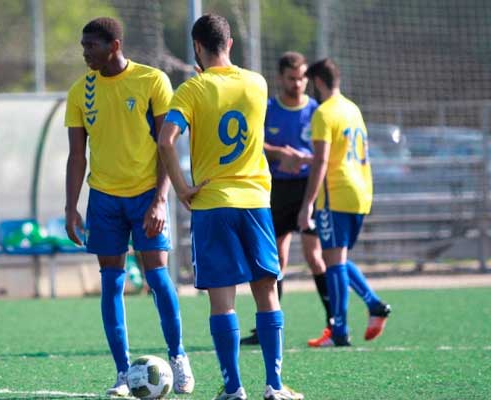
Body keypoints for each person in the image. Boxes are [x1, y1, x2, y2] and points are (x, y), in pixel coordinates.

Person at [158, 14, 303, 400]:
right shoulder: (256, 84)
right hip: (255, 201)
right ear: (231, 44)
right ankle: (274, 385)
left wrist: (182, 187)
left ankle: (234, 387)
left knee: (222, 300)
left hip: (212, 203)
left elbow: (166, 140)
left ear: (197, 49)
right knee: (266, 292)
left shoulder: (191, 89)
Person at [63, 17, 194, 397]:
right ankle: (123, 373)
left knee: (156, 276)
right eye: (83, 45)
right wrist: (72, 207)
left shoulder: (152, 80)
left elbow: (165, 145)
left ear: (114, 46)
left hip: (145, 195)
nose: (85, 52)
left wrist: (159, 200)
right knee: (111, 283)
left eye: (91, 46)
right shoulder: (79, 91)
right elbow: (76, 156)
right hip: (104, 198)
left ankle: (179, 358)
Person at [240, 51, 333, 348]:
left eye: (302, 78)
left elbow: (324, 154)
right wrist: (281, 154)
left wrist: (305, 159)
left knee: (314, 256)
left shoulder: (316, 110)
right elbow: (254, 142)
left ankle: (334, 322)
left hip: (308, 189)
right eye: (292, 78)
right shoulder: (268, 109)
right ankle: (269, 325)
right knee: (275, 257)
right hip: (277, 188)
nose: (298, 84)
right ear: (280, 78)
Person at [297, 58, 391, 347]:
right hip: (361, 192)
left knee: (334, 264)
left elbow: (323, 161)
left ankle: (339, 332)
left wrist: (307, 204)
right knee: (336, 260)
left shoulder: (324, 113)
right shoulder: (352, 109)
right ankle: (373, 305)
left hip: (335, 194)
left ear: (319, 82)